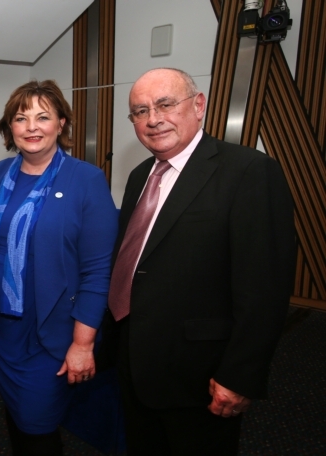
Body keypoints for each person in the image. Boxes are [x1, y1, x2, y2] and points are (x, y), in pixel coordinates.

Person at [109, 67, 296, 455]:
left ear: (198, 106)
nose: (153, 119)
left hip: (200, 372)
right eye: (140, 111)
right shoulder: (140, 174)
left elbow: (265, 287)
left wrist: (240, 375)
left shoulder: (248, 171)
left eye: (164, 104)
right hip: (136, 358)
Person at [0, 80, 118, 455]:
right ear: (10, 128)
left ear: (61, 124)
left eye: (43, 117)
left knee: (38, 423)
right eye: (21, 118)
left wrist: (83, 344)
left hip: (53, 332)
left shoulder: (86, 180)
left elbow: (98, 270)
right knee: (18, 414)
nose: (32, 127)